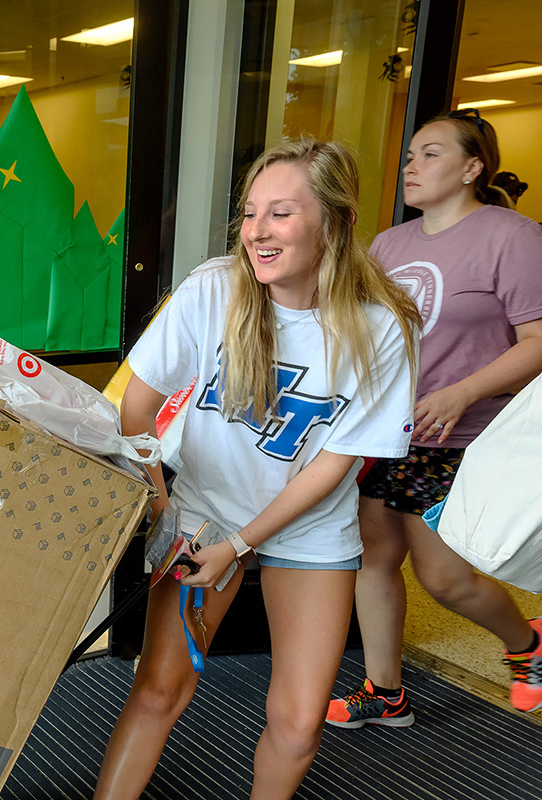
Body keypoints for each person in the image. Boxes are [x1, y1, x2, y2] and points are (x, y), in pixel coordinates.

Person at [93, 137, 421, 800]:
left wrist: (245, 545)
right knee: (160, 688)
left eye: (280, 213)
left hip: (308, 525)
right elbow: (138, 405)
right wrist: (162, 510)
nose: (257, 232)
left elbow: (336, 461)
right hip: (205, 512)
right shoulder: (213, 290)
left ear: (337, 220)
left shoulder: (382, 325)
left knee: (299, 725)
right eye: (249, 214)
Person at [326, 109, 542, 730]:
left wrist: (460, 393)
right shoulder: (388, 244)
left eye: (430, 154)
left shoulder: (513, 236)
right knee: (373, 556)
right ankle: (386, 693)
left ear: (473, 167)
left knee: (444, 577)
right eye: (409, 155)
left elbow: (541, 340)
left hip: (465, 436)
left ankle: (530, 642)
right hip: (389, 431)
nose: (411, 166)